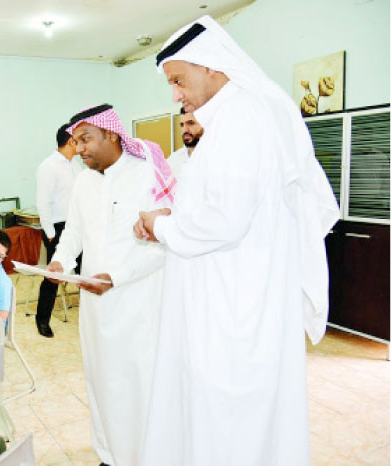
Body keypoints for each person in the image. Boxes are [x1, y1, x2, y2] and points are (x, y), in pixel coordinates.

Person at [134, 15, 339, 466]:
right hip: (227, 293)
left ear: (210, 65)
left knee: (229, 422)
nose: (176, 95)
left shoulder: (243, 117)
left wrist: (160, 225)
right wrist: (175, 216)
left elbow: (223, 220)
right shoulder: (233, 118)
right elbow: (224, 204)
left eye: (178, 81)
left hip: (234, 306)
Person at [47, 104, 175, 466]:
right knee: (101, 381)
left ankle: (144, 455)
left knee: (137, 383)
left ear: (112, 134)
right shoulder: (84, 181)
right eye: (76, 141)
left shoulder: (146, 174)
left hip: (137, 301)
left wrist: (116, 278)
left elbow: (165, 244)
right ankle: (109, 454)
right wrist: (61, 261)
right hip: (95, 304)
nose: (80, 148)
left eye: (86, 139)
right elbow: (73, 231)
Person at [35, 123, 83, 337]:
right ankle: (42, 320)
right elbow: (42, 202)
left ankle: (92, 316)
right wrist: (50, 233)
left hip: (79, 225)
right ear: (70, 141)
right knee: (53, 276)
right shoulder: (49, 166)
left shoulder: (76, 165)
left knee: (85, 271)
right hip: (57, 227)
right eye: (78, 139)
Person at [167, 107, 204, 180]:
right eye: (182, 125)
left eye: (190, 123)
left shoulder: (216, 156)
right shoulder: (173, 160)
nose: (184, 130)